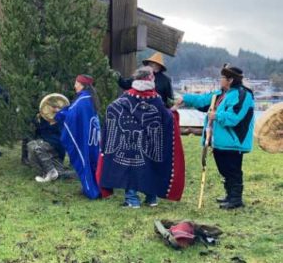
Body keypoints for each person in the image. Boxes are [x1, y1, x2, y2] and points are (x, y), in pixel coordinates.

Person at [98, 66, 185, 208]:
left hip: (129, 141)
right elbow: (165, 116)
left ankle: (132, 200)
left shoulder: (127, 96)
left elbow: (112, 108)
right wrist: (172, 113)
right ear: (150, 78)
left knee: (130, 168)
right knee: (151, 166)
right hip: (151, 141)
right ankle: (151, 198)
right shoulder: (155, 98)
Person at [175, 64, 255, 209]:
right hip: (219, 141)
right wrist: (184, 98)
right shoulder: (221, 94)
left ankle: (236, 199)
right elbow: (202, 101)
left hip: (234, 141)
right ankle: (230, 195)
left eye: (222, 77)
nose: (220, 80)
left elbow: (235, 117)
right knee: (224, 170)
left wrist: (216, 115)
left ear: (230, 79)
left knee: (233, 170)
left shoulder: (244, 95)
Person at [54, 75, 101, 198]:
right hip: (93, 138)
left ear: (82, 85)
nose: (75, 86)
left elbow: (70, 117)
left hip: (86, 138)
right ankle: (98, 188)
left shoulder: (82, 101)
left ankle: (91, 190)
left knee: (84, 160)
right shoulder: (91, 98)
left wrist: (59, 114)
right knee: (93, 162)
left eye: (76, 83)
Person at [26, 114, 67, 183]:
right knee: (32, 146)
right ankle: (46, 172)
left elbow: (57, 137)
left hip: (56, 148)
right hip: (48, 147)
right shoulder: (42, 119)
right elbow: (39, 132)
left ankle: (51, 171)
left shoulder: (59, 120)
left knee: (37, 147)